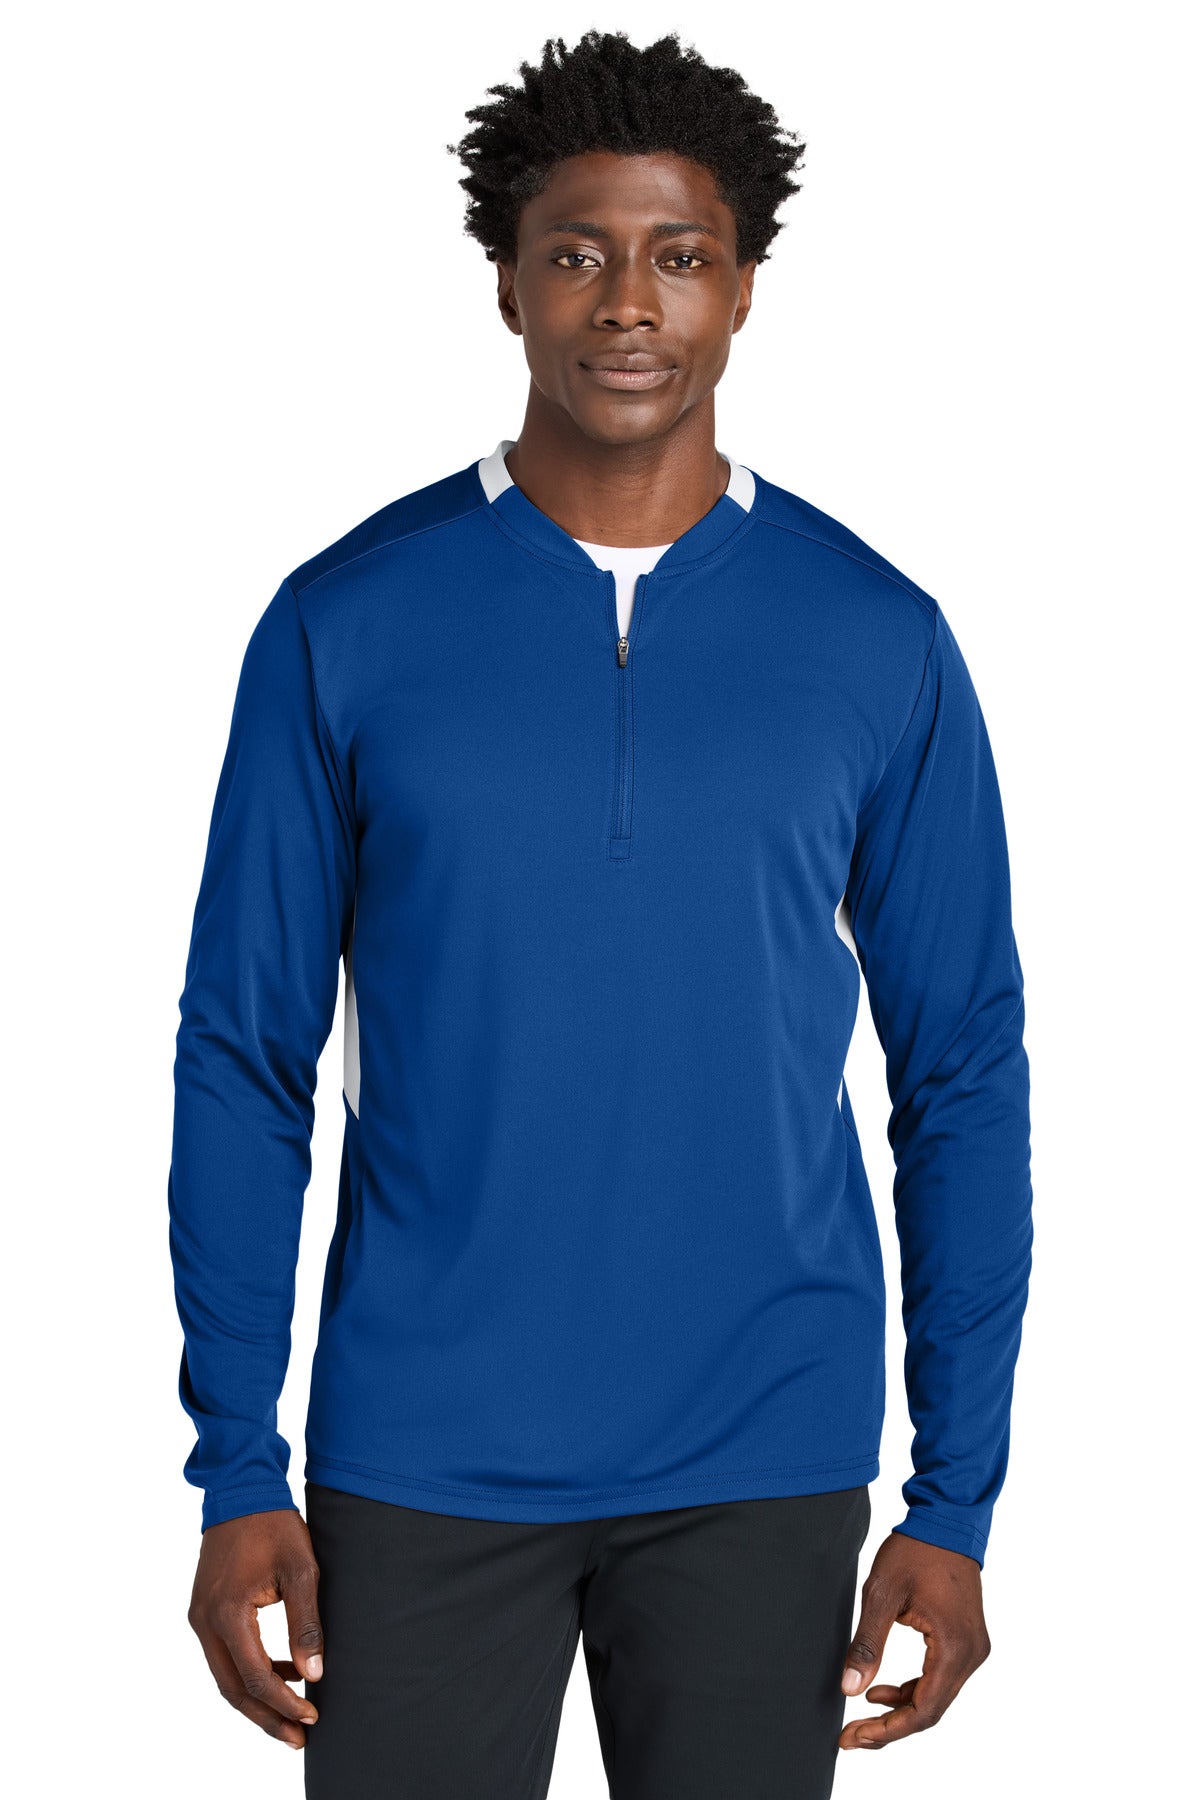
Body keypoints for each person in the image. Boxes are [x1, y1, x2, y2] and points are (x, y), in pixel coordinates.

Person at [168, 27, 1034, 1800]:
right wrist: (237, 1466)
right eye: (577, 252)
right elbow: (243, 1056)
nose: (629, 302)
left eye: (679, 255)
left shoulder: (877, 636)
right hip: (420, 1454)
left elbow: (963, 1071)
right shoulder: (344, 620)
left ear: (742, 289)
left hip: (765, 1451)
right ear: (506, 284)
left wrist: (956, 1498)